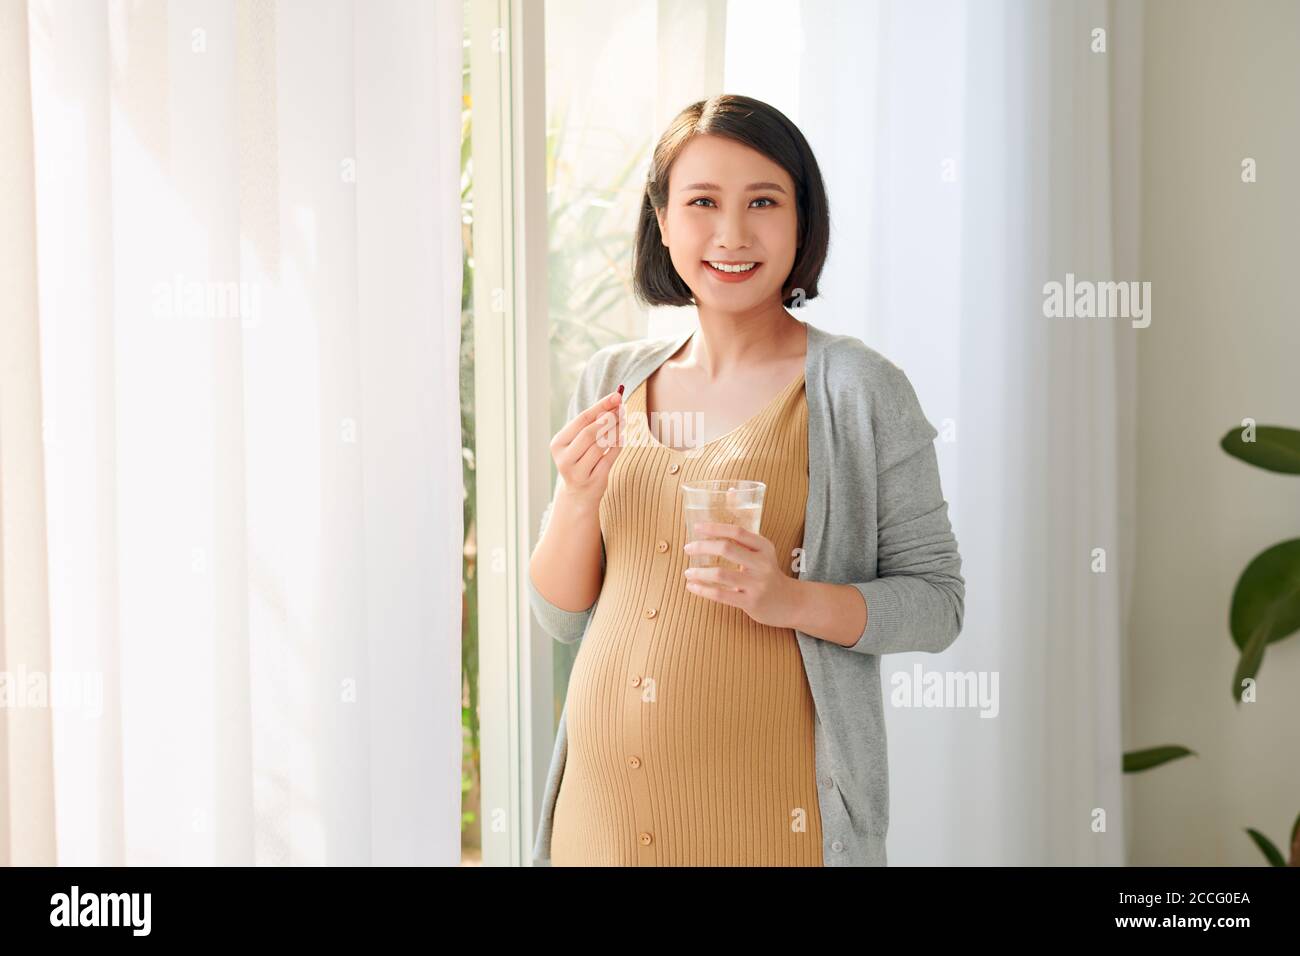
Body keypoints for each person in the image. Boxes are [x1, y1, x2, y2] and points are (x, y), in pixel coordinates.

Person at [528, 94, 965, 866]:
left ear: (803, 221)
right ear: (663, 221)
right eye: (702, 203)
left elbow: (936, 604)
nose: (732, 234)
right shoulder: (612, 381)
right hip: (597, 827)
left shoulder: (859, 390)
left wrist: (789, 598)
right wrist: (577, 494)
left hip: (772, 828)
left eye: (763, 201)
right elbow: (562, 615)